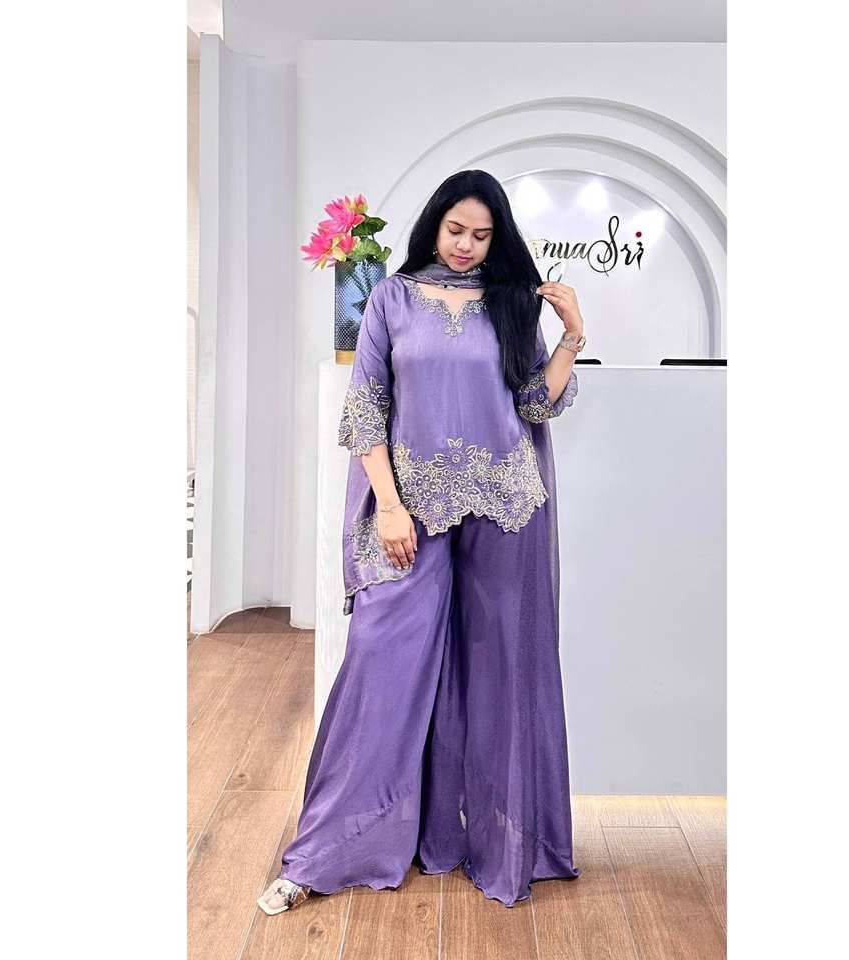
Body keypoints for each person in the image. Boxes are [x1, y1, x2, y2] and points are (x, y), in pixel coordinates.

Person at [258, 169, 586, 915]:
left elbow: (535, 403)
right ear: (433, 225)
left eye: (482, 235)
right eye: (456, 230)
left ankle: (502, 844)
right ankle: (322, 854)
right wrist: (388, 504)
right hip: (408, 509)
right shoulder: (391, 298)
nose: (467, 246)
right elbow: (365, 408)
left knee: (503, 671)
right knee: (382, 663)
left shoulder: (512, 302)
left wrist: (571, 334)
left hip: (505, 502)